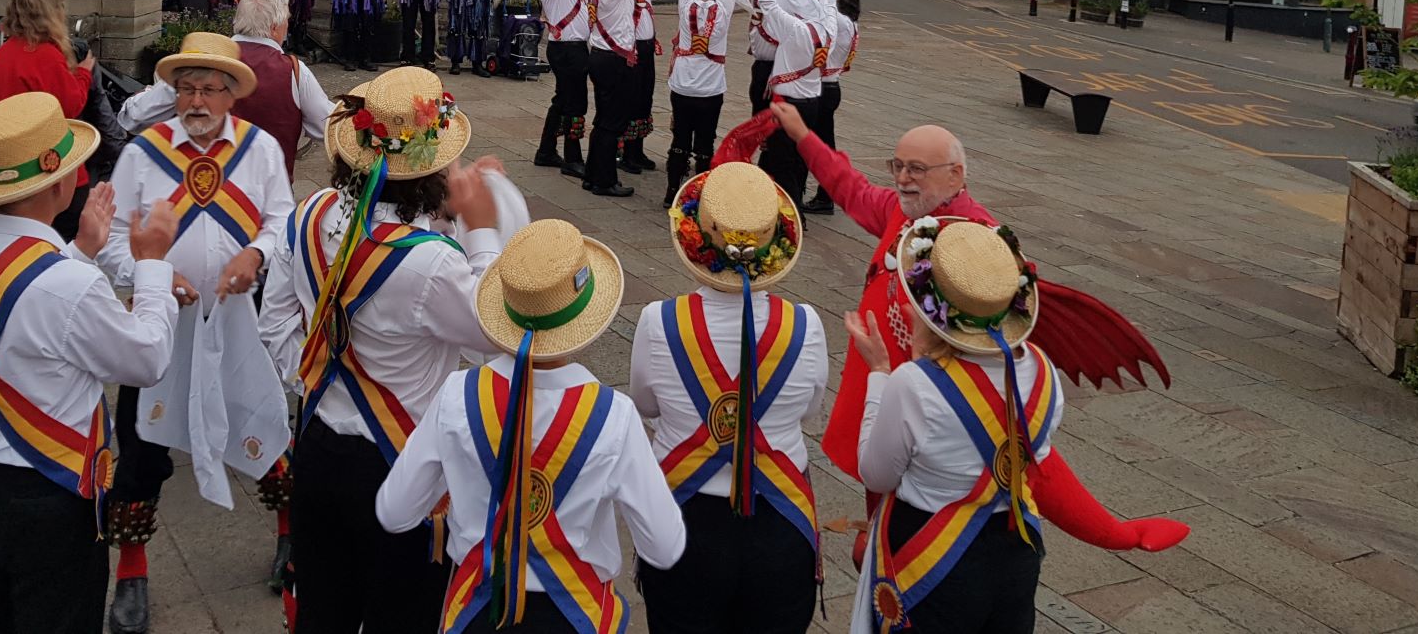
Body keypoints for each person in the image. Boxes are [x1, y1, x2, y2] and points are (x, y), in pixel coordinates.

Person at [770, 105, 1189, 570]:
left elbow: (1008, 324)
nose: (904, 179)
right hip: (886, 386)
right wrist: (804, 135)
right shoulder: (899, 210)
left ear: (957, 174)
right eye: (899, 166)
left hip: (941, 401)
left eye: (918, 169)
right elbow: (852, 189)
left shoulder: (980, 243)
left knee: (928, 502)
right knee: (882, 493)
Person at [266, 65, 517, 634]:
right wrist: (480, 231)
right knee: (402, 614)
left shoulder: (307, 217)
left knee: (323, 610)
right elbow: (494, 329)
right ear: (430, 171)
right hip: (404, 462)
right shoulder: (436, 263)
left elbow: (274, 326)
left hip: (317, 449)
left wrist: (317, 375)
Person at [0, 92, 180, 634]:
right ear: (63, 186)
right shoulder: (70, 285)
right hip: (47, 494)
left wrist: (83, 250)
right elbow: (147, 358)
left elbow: (18, 304)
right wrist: (153, 266)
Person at [377, 218, 686, 634]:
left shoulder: (456, 395)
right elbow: (665, 548)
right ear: (585, 320)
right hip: (577, 619)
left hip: (477, 615)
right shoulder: (615, 415)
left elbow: (395, 512)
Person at [96, 33, 296, 634]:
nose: (197, 100)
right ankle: (131, 575)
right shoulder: (142, 154)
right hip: (160, 325)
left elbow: (282, 219)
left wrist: (257, 257)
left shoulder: (259, 150)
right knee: (139, 446)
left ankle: (292, 535)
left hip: (241, 318)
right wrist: (156, 275)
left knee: (260, 416)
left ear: (232, 94)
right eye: (187, 88)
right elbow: (109, 243)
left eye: (210, 88)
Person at [634, 160, 826, 634]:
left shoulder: (658, 321)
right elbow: (810, 412)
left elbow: (645, 406)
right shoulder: (807, 326)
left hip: (686, 519)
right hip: (780, 525)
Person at [848, 219, 1062, 634]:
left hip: (931, 559)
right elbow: (1037, 455)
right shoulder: (1042, 369)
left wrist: (879, 374)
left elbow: (875, 473)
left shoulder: (914, 383)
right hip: (1013, 555)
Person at [118, 0, 334, 183]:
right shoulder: (295, 72)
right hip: (267, 199)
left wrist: (146, 94)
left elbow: (133, 117)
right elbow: (329, 127)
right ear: (275, 27)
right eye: (287, 21)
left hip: (198, 191)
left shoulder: (199, 63)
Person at [0, 0, 98, 241]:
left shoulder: (1, 56)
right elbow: (72, 104)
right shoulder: (45, 56)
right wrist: (84, 73)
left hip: (10, 167)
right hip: (46, 168)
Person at [581, 0, 669, 197]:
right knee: (612, 122)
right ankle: (605, 181)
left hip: (598, 55)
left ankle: (592, 175)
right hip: (614, 60)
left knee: (603, 119)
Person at [736, 0, 832, 205]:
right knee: (800, 151)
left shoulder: (795, 30)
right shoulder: (829, 24)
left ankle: (787, 206)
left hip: (788, 100)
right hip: (812, 97)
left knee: (781, 156)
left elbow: (767, 0)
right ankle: (793, 198)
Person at [663, 0, 743, 204]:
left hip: (683, 84)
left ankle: (672, 191)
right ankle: (702, 194)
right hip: (710, 88)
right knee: (705, 142)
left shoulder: (686, 5)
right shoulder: (724, 9)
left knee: (680, 139)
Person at [532, 0, 594, 180]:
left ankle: (545, 151)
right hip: (566, 49)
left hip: (574, 47)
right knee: (575, 103)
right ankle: (572, 158)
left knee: (562, 100)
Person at [618, 0, 673, 174]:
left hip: (647, 47)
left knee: (645, 98)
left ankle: (638, 149)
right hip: (631, 49)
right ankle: (626, 152)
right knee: (629, 98)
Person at [805, 0, 861, 216]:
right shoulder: (850, 23)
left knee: (822, 148)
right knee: (824, 145)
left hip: (825, 89)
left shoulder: (841, 23)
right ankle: (826, 194)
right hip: (830, 88)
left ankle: (827, 196)